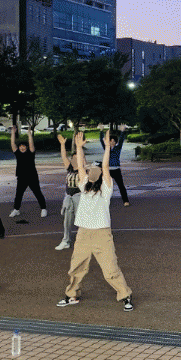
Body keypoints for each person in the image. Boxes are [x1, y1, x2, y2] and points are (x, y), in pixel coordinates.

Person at [57, 131, 134, 311]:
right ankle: (72, 294)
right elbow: (80, 167)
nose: (91, 169)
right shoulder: (83, 186)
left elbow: (106, 166)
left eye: (95, 169)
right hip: (84, 232)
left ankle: (125, 295)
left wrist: (107, 147)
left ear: (100, 175)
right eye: (90, 168)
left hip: (102, 233)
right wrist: (78, 147)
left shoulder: (106, 190)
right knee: (77, 266)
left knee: (110, 268)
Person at [55, 134, 85, 251]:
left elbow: (82, 159)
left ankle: (83, 240)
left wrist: (79, 147)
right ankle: (65, 240)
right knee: (67, 220)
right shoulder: (69, 168)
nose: (75, 160)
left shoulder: (83, 170)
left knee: (81, 220)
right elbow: (63, 156)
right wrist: (62, 144)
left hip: (79, 196)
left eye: (78, 158)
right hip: (68, 196)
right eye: (74, 158)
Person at [9, 127, 47, 218]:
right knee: (19, 194)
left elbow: (31, 145)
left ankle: (43, 209)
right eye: (20, 146)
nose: (22, 148)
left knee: (37, 192)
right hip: (21, 177)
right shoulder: (18, 154)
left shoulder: (31, 153)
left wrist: (29, 134)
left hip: (32, 176)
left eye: (24, 146)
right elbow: (13, 144)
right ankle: (16, 210)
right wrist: (13, 133)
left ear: (26, 147)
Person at [99, 124, 130, 206]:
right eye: (111, 141)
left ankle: (125, 201)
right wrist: (101, 131)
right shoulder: (106, 148)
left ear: (116, 142)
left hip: (116, 169)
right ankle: (102, 201)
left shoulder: (117, 148)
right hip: (107, 170)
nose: (112, 142)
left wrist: (122, 131)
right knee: (102, 185)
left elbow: (121, 140)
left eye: (114, 141)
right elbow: (101, 141)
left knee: (121, 186)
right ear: (108, 141)